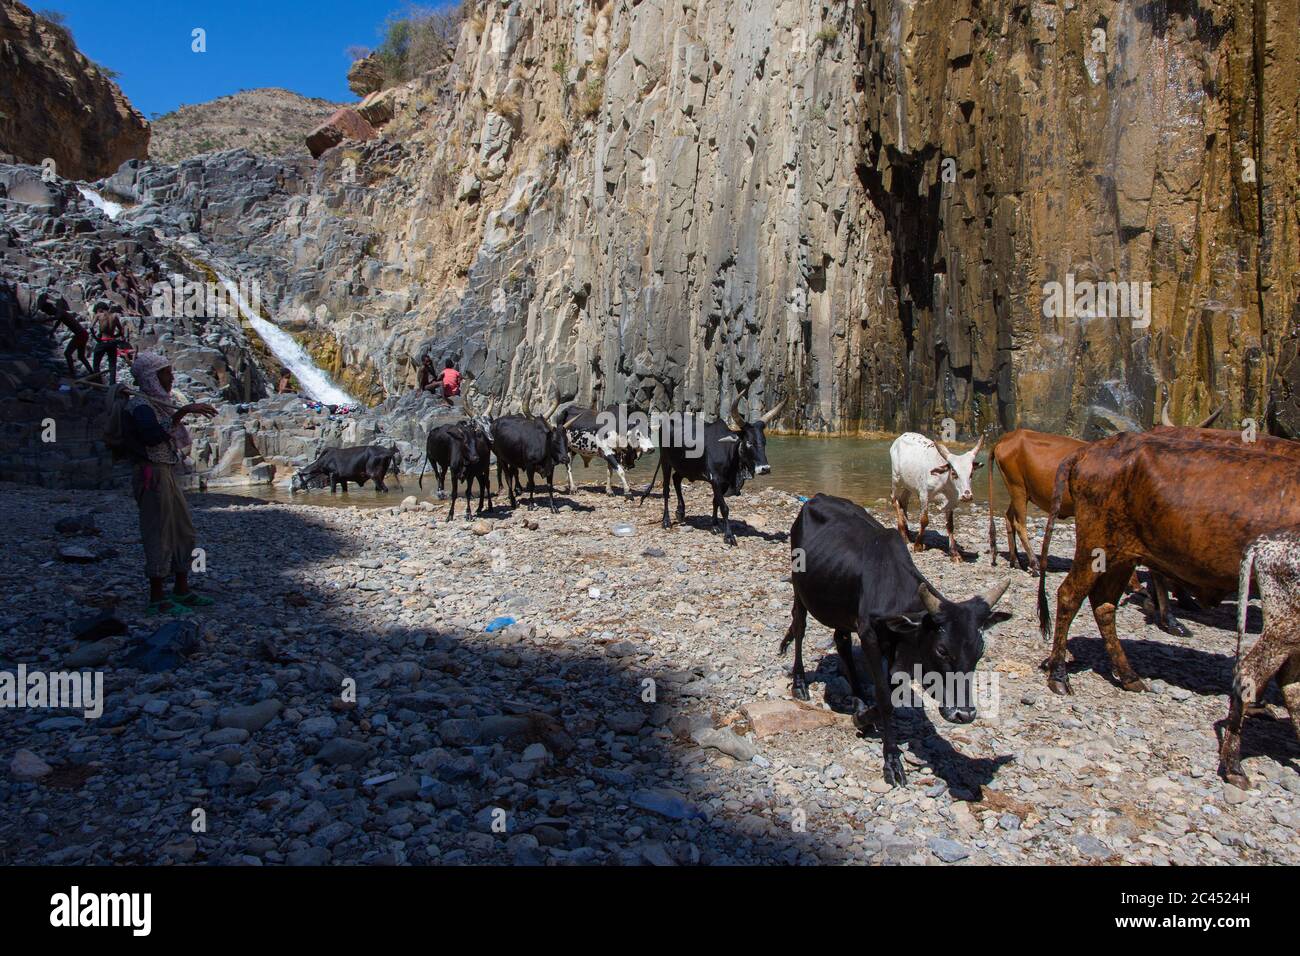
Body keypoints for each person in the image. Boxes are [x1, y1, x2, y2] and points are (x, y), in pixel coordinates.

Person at [126, 351, 218, 616]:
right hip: (151, 474)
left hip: (165, 470)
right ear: (153, 376)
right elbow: (153, 437)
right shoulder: (140, 406)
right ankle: (157, 596)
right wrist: (183, 412)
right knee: (158, 530)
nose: (172, 377)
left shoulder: (154, 403)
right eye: (166, 372)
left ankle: (181, 588)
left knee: (182, 529)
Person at [37, 290, 92, 375]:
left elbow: (57, 317)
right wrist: (53, 330)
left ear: (50, 309)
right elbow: (59, 319)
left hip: (80, 335)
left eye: (49, 312)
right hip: (83, 334)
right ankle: (92, 372)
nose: (50, 314)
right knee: (81, 356)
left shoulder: (59, 311)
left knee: (67, 353)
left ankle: (72, 374)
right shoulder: (61, 311)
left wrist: (44, 320)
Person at [91, 301, 128, 383]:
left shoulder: (99, 315)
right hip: (112, 342)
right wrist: (115, 336)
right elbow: (121, 330)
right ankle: (112, 384)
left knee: (96, 364)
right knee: (112, 364)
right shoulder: (114, 316)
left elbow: (91, 327)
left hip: (102, 341)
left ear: (100, 309)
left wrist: (96, 338)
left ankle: (98, 383)